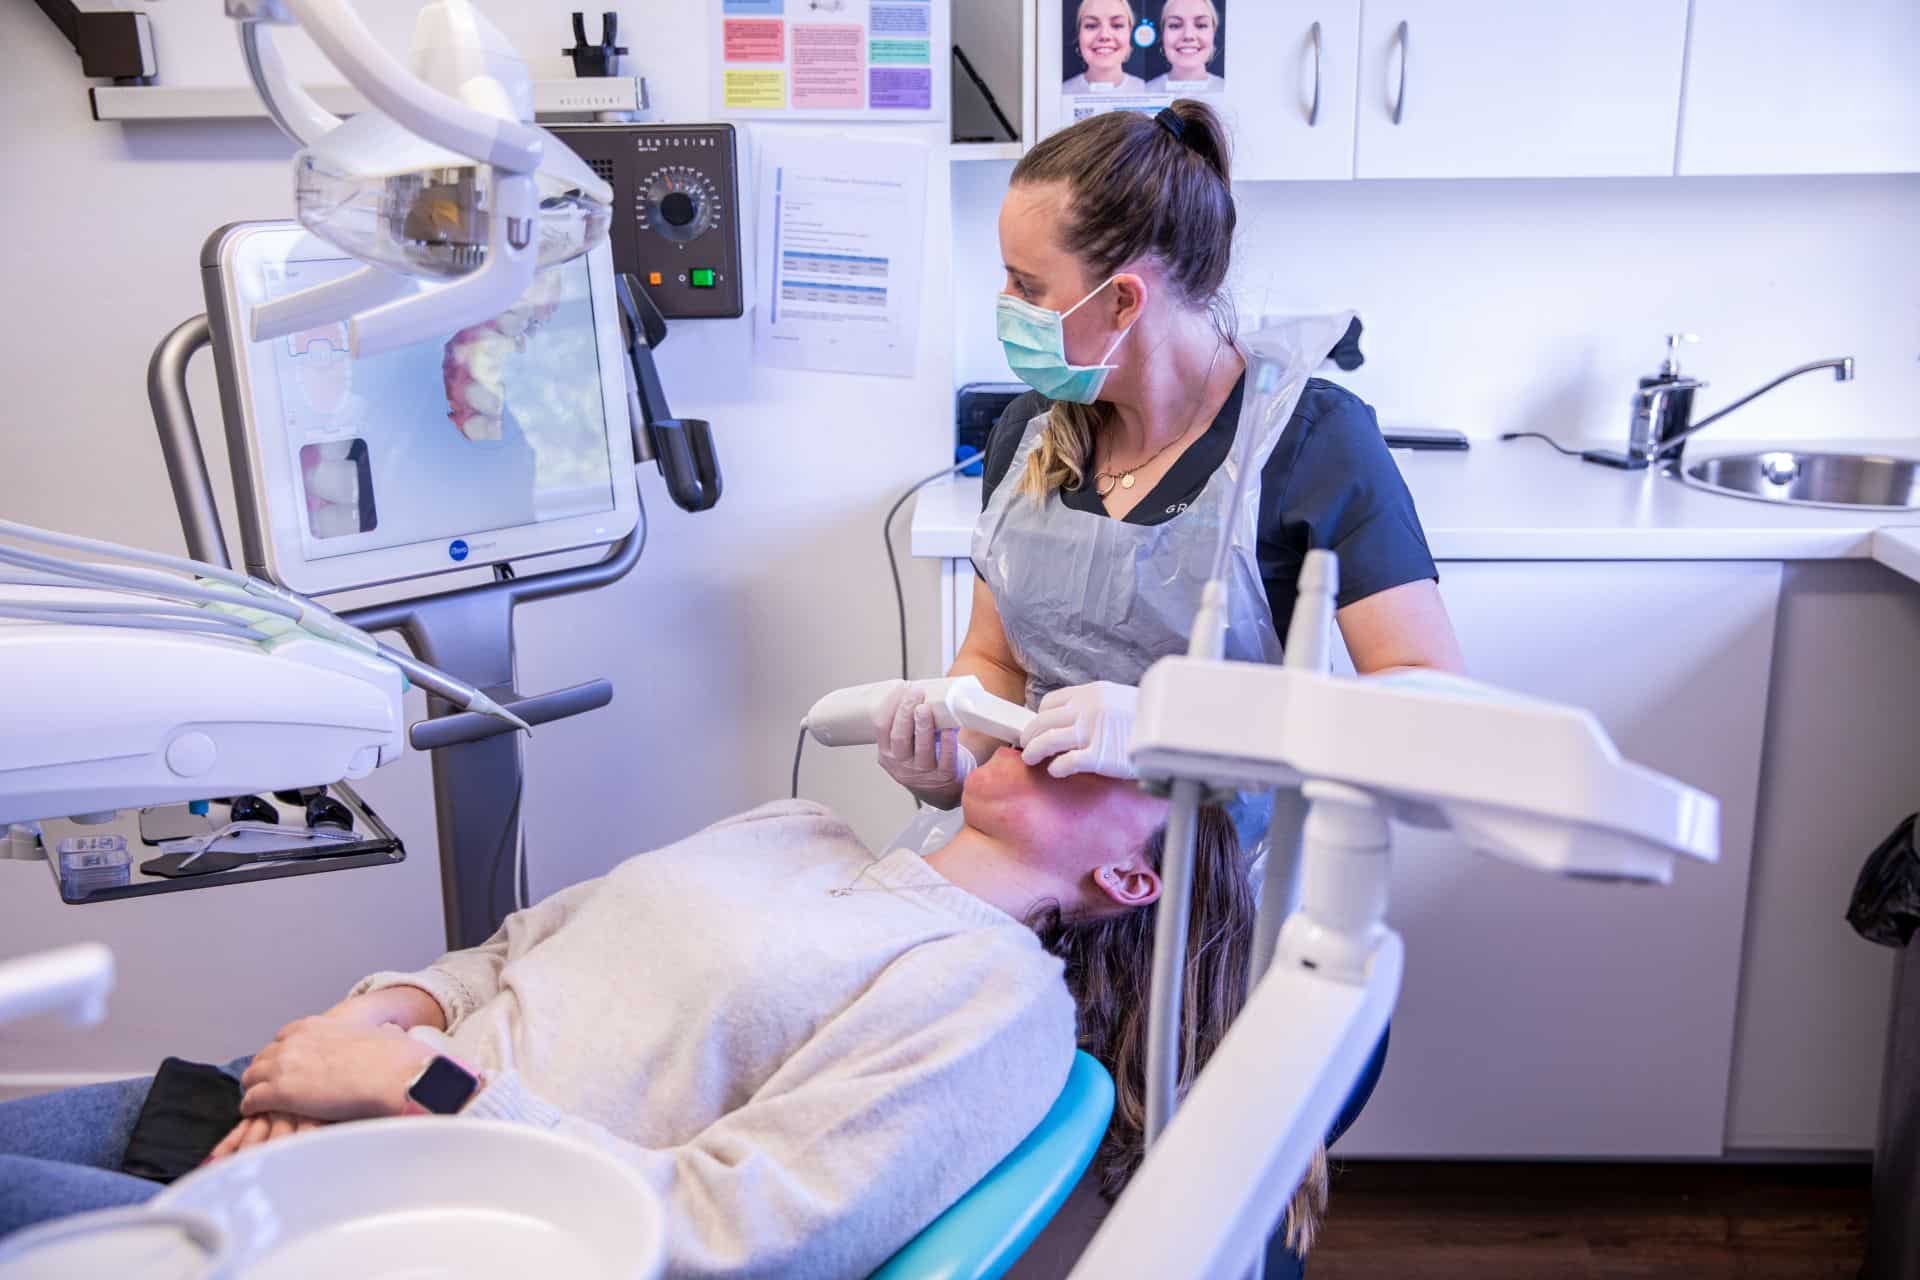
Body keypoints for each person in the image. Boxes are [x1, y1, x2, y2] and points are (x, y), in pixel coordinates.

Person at [877, 98, 1463, 1276]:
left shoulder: (1311, 445)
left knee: (1203, 1221)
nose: (1008, 313)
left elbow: (1431, 705)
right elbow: (994, 655)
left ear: (1123, 298)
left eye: (1024, 284)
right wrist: (949, 732)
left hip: (1230, 922)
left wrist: (1178, 725)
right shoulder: (1036, 435)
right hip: (1048, 892)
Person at [0, 753, 1283, 1275]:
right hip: (300, 1103)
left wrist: (407, 1087)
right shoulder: (794, 824)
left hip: (423, 1218)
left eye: (1131, 754)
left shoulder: (998, 999)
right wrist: (367, 1029)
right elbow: (511, 950)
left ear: (1130, 880)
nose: (1072, 728)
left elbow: (738, 1232)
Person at [1061, 0, 1147, 94]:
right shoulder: (1060, 93)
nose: (1104, 35)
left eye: (1117, 25)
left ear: (1130, 34)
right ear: (1079, 35)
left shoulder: (1146, 89)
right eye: (1091, 26)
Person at [1145, 0, 1226, 93]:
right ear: (1163, 34)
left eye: (1201, 25)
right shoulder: (1146, 91)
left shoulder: (1233, 92)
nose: (1188, 35)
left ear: (1213, 32)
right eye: (1175, 25)